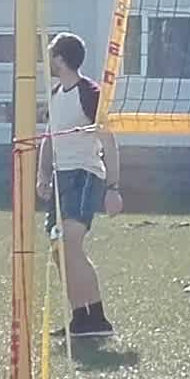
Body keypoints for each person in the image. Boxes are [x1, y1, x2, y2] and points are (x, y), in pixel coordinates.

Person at [44, 33, 119, 347]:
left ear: (60, 58)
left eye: (50, 54)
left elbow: (109, 142)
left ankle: (99, 319)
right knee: (58, 250)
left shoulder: (89, 93)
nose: (47, 60)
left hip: (85, 174)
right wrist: (42, 176)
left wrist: (113, 187)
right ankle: (80, 319)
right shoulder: (56, 92)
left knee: (71, 243)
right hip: (61, 176)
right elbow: (49, 137)